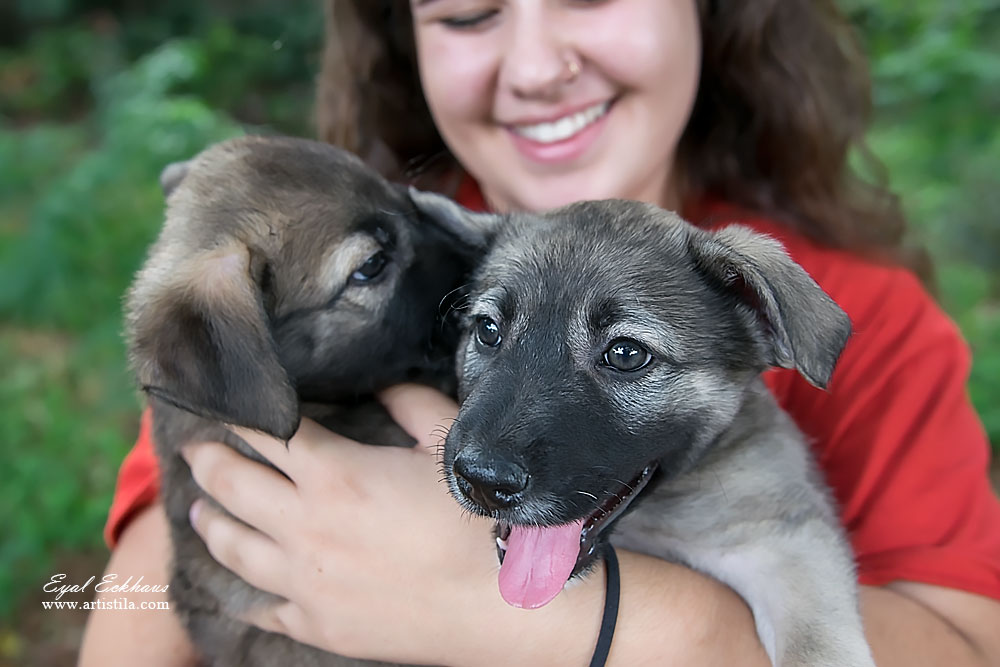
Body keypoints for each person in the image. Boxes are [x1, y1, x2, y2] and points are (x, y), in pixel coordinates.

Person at [79, 1, 1000, 665]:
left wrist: (596, 624)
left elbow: (965, 644)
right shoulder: (358, 311)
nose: (532, 65)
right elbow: (141, 606)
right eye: (470, 15)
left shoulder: (863, 320)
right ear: (403, 37)